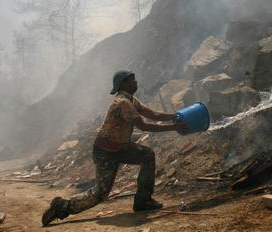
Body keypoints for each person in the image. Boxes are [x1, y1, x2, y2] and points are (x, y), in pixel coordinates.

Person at [42, 70, 189, 226]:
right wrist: (174, 127)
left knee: (147, 155)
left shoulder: (130, 100)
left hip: (120, 148)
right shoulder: (123, 103)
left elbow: (152, 114)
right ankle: (62, 207)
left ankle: (143, 201)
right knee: (100, 193)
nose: (136, 82)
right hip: (106, 152)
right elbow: (144, 126)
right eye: (133, 80)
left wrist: (176, 116)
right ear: (124, 83)